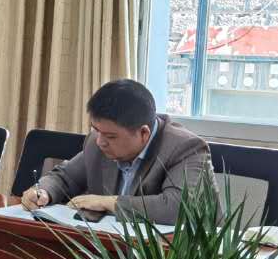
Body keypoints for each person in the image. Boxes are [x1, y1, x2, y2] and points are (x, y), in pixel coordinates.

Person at [20, 79, 215, 225]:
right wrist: (43, 191)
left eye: (111, 136)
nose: (100, 141)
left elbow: (179, 207)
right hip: (111, 250)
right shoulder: (97, 142)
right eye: (96, 130)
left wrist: (110, 203)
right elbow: (65, 178)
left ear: (144, 133)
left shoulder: (186, 148)